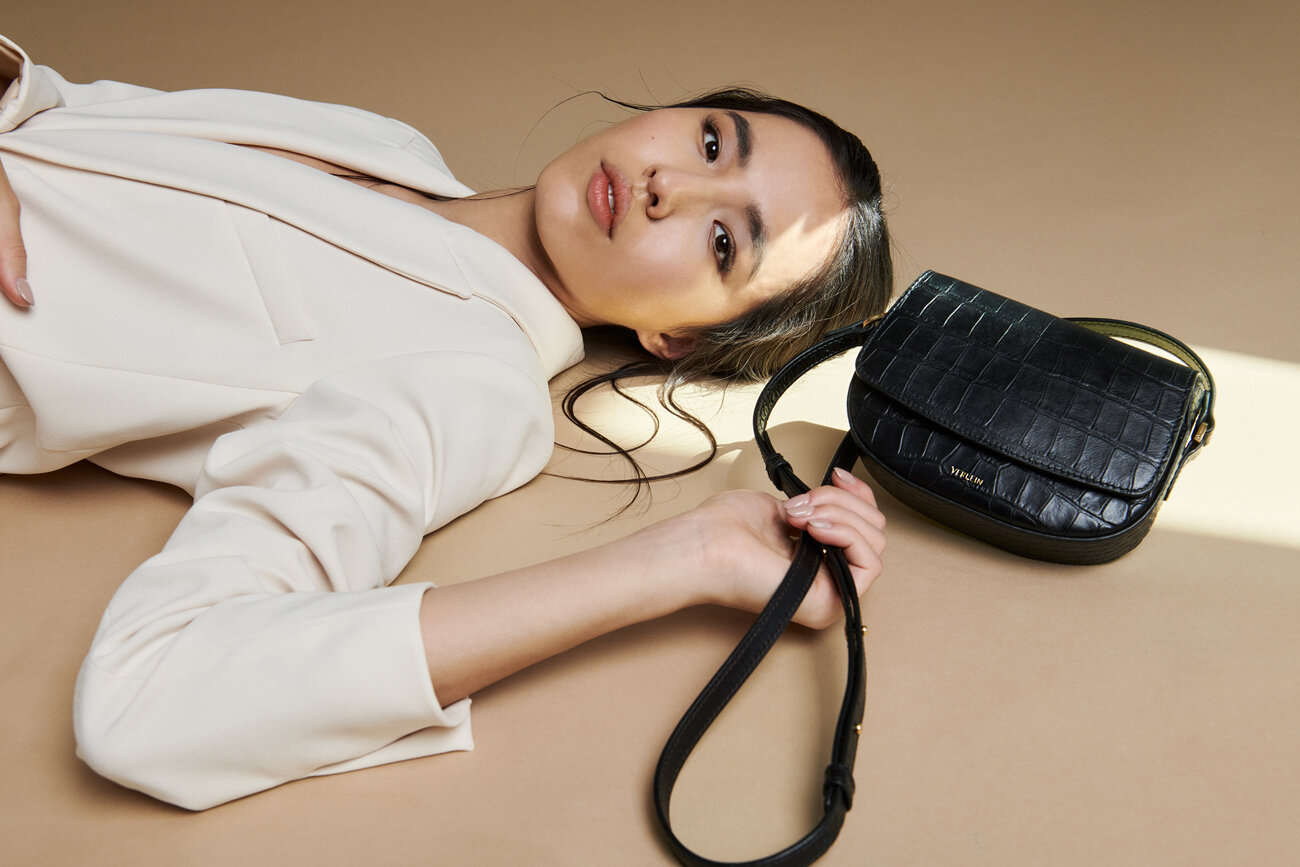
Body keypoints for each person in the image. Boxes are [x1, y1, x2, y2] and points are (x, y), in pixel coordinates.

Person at [0, 34, 891, 810]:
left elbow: (150, 698)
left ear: (679, 339)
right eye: (711, 141)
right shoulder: (388, 144)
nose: (671, 186)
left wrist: (685, 558)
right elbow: (55, 112)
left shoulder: (474, 382)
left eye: (724, 242)